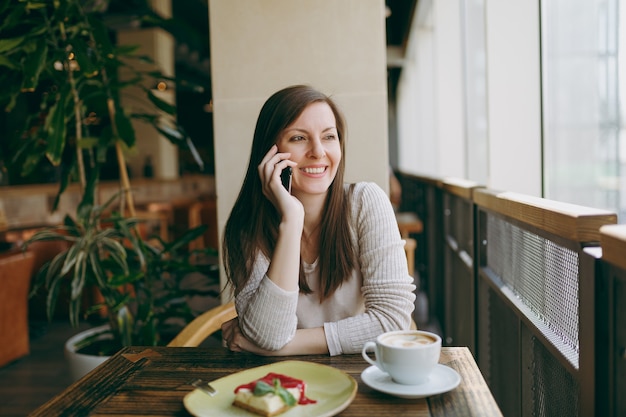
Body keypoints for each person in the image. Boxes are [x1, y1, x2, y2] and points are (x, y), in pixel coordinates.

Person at [221, 85, 416, 356]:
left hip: (362, 377)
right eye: (299, 138)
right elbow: (267, 334)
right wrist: (292, 219)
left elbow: (391, 322)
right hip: (283, 386)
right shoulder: (247, 227)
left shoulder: (365, 202)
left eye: (328, 137)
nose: (317, 151)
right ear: (270, 152)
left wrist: (281, 348)